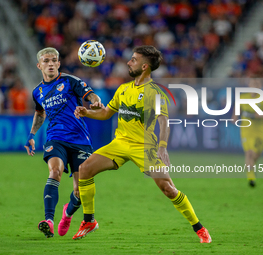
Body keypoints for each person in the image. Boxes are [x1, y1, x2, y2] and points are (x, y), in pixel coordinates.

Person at [73, 45, 212, 243]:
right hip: (120, 143)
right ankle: (89, 221)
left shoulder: (155, 93)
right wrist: (87, 113)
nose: (129, 62)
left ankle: (199, 228)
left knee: (168, 189)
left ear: (145, 66)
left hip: (144, 147)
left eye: (134, 60)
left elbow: (164, 122)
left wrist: (162, 147)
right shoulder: (123, 89)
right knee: (84, 169)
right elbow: (105, 113)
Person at [24, 47, 102, 238]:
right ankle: (48, 221)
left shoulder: (70, 81)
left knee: (80, 190)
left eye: (53, 60)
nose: (50, 64)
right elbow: (40, 113)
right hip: (55, 138)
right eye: (46, 61)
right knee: (55, 171)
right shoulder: (37, 92)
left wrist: (96, 102)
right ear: (39, 65)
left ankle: (66, 214)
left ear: (59, 63)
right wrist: (32, 134)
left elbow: (91, 95)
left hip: (80, 140)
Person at [232, 78, 263, 187]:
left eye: (257, 85)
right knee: (249, 153)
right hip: (246, 130)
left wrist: (262, 115)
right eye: (253, 85)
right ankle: (251, 177)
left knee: (257, 153)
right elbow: (235, 113)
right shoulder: (242, 98)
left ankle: (251, 167)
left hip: (259, 131)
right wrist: (235, 118)